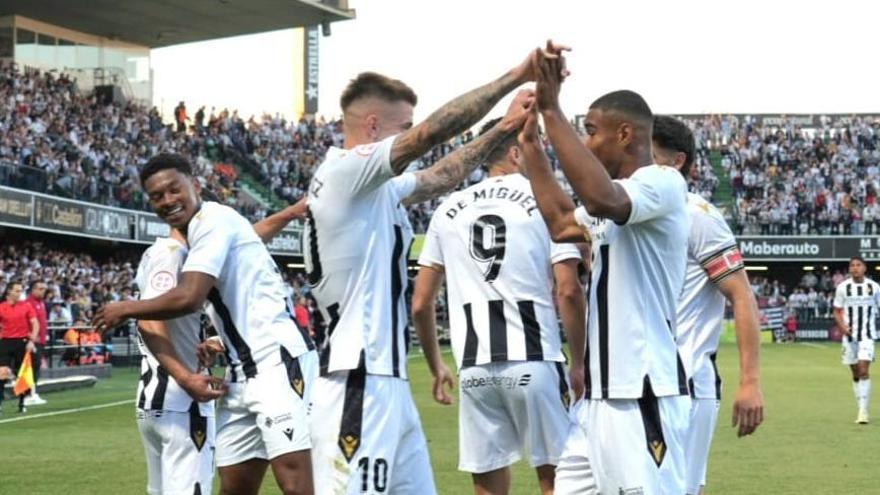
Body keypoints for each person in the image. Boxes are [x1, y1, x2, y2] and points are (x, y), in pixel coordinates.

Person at [304, 48, 545, 494]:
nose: (410, 138)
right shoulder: (344, 172)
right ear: (373, 126)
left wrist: (508, 127)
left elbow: (440, 176)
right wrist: (515, 77)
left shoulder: (375, 190)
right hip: (356, 380)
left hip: (387, 382)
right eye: (402, 128)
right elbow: (433, 136)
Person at [520, 45, 690, 494]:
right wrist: (532, 150)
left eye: (591, 131)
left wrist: (552, 110)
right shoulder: (617, 198)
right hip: (597, 400)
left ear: (625, 134)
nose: (587, 141)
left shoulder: (661, 182)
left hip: (642, 392)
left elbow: (601, 201)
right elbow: (560, 225)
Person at [94, 153, 317, 495]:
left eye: (174, 190)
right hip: (239, 374)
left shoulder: (212, 221)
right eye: (157, 196)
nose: (168, 200)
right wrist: (287, 213)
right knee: (235, 488)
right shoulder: (204, 234)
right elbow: (249, 237)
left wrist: (127, 308)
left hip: (277, 359)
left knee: (295, 484)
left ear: (195, 186)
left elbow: (190, 297)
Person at [412, 116, 586, 495]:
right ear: (515, 151)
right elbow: (568, 290)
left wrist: (436, 365)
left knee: (487, 485)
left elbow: (422, 303)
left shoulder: (447, 209)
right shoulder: (547, 203)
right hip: (534, 358)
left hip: (475, 367)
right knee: (559, 479)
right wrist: (580, 362)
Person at [652, 115, 764, 495]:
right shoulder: (629, 210)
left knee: (680, 488)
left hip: (686, 378)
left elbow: (742, 295)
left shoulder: (697, 216)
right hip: (636, 379)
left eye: (647, 157)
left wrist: (749, 382)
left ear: (676, 161)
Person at [133, 227, 224, 495]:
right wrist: (185, 378)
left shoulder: (154, 253)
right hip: (182, 400)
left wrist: (213, 342)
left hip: (155, 398)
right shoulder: (173, 254)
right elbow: (149, 319)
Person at [833, 256, 880, 424]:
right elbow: (837, 311)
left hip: (867, 335)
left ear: (865, 268)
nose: (854, 268)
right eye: (852, 265)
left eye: (858, 265)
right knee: (855, 373)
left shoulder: (874, 287)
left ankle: (863, 411)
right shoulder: (843, 288)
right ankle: (860, 405)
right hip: (849, 336)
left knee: (863, 370)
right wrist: (842, 327)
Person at [0, 281, 39, 413]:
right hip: (5, 342)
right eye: (17, 291)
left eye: (20, 291)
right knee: (2, 373)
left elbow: (35, 323)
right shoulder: (2, 307)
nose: (19, 293)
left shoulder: (26, 306)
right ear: (9, 292)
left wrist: (32, 340)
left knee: (22, 373)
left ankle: (22, 402)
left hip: (22, 342)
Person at [24, 281, 49, 405]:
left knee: (36, 366)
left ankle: (32, 393)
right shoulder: (28, 303)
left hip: (41, 340)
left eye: (44, 289)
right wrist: (31, 338)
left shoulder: (41, 303)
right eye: (40, 289)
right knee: (32, 367)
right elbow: (25, 322)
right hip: (33, 340)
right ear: (33, 290)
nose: (43, 291)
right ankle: (28, 394)